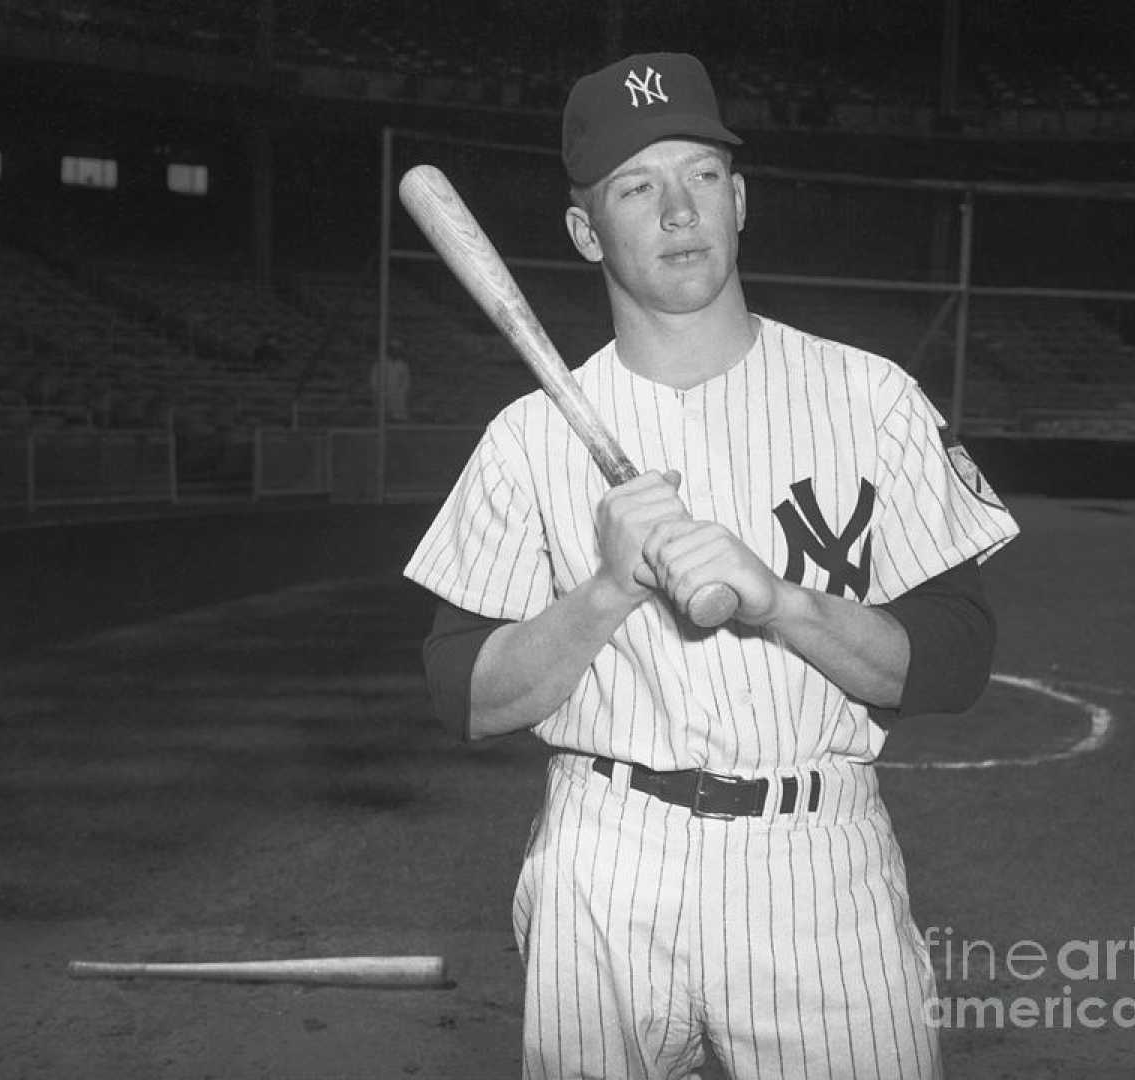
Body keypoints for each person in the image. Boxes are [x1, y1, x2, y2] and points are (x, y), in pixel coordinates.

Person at [404, 52, 1019, 1080]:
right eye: (638, 187)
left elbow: (954, 661)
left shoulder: (872, 399)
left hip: (814, 863)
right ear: (586, 232)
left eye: (699, 176)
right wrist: (606, 591)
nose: (678, 208)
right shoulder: (525, 439)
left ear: (740, 201)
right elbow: (461, 698)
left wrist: (782, 605)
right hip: (605, 862)